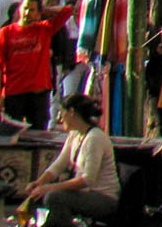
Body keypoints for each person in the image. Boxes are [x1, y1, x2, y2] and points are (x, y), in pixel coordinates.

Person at [25, 93, 119, 227]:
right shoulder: (74, 135)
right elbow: (59, 165)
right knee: (38, 196)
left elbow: (88, 179)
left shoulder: (95, 138)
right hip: (85, 194)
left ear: (71, 112)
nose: (60, 119)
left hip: (103, 197)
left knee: (55, 197)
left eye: (62, 113)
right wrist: (39, 183)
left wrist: (49, 188)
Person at [0, 0, 77, 130]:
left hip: (38, 92)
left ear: (39, 12)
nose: (27, 13)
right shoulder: (6, 32)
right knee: (11, 131)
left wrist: (46, 10)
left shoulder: (45, 29)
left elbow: (68, 10)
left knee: (38, 131)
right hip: (13, 91)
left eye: (32, 10)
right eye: (24, 8)